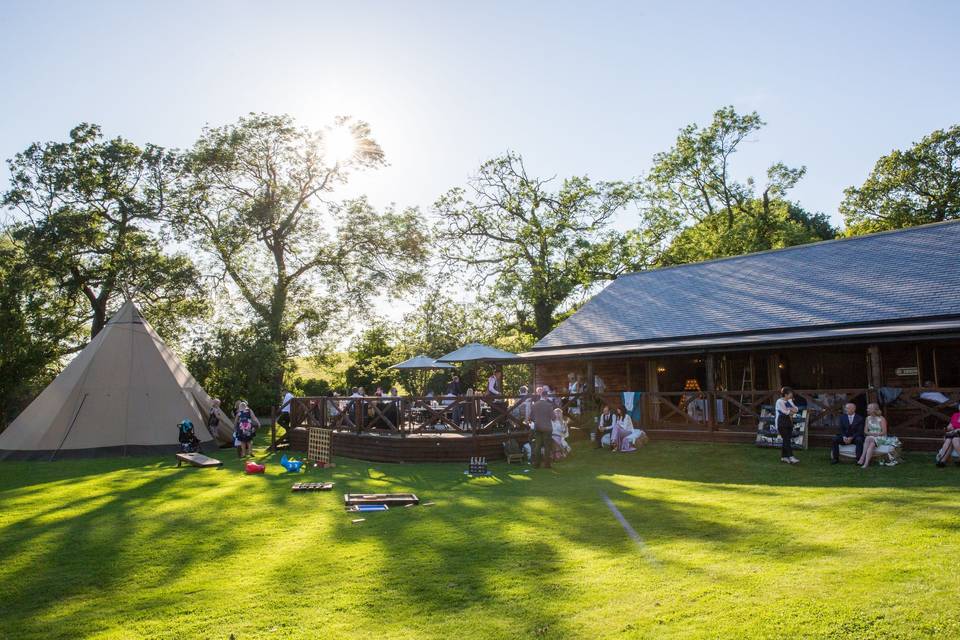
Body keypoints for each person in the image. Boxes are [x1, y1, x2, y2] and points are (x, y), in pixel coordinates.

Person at [858, 403, 888, 468]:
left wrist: (875, 434)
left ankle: (863, 459)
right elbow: (865, 431)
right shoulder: (867, 418)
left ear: (874, 410)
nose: (867, 410)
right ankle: (865, 461)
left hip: (880, 437)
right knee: (871, 442)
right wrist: (871, 434)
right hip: (871, 437)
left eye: (869, 408)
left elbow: (884, 432)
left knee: (869, 439)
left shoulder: (881, 418)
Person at [530, 390, 555, 468]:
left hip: (537, 427)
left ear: (541, 395)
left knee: (537, 445)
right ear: (546, 396)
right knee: (547, 446)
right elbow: (553, 417)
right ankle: (547, 464)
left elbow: (532, 417)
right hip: (547, 427)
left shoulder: (534, 405)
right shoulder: (549, 405)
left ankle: (537, 464)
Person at [776, 387, 800, 464]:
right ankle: (791, 457)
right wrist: (791, 410)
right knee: (786, 439)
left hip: (789, 422)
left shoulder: (789, 401)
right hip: (781, 422)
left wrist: (791, 409)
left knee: (787, 439)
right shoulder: (779, 401)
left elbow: (796, 409)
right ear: (785, 394)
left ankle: (784, 457)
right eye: (790, 394)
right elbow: (785, 412)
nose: (791, 395)